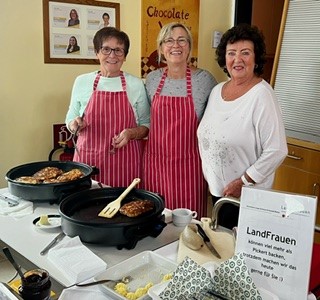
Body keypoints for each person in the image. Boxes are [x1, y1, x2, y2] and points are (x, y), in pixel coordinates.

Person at [197, 23, 288, 229]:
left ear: (255, 59)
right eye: (231, 53)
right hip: (219, 194)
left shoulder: (262, 95)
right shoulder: (217, 91)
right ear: (224, 58)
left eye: (245, 53)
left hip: (247, 197)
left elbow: (277, 150)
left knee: (241, 255)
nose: (237, 59)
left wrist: (244, 181)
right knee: (223, 247)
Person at [143, 22, 217, 217]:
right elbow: (144, 121)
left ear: (189, 47)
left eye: (181, 40)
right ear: (161, 48)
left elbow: (217, 123)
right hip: (155, 166)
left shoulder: (205, 80)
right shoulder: (151, 80)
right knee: (156, 220)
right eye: (169, 40)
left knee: (190, 226)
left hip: (190, 168)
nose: (176, 45)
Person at [65, 27, 150, 187]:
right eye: (106, 49)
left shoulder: (135, 84)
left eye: (118, 50)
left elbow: (147, 125)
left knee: (126, 208)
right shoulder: (82, 81)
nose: (112, 55)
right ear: (97, 52)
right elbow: (70, 117)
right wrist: (74, 124)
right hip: (88, 162)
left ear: (124, 56)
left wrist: (131, 133)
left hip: (126, 163)